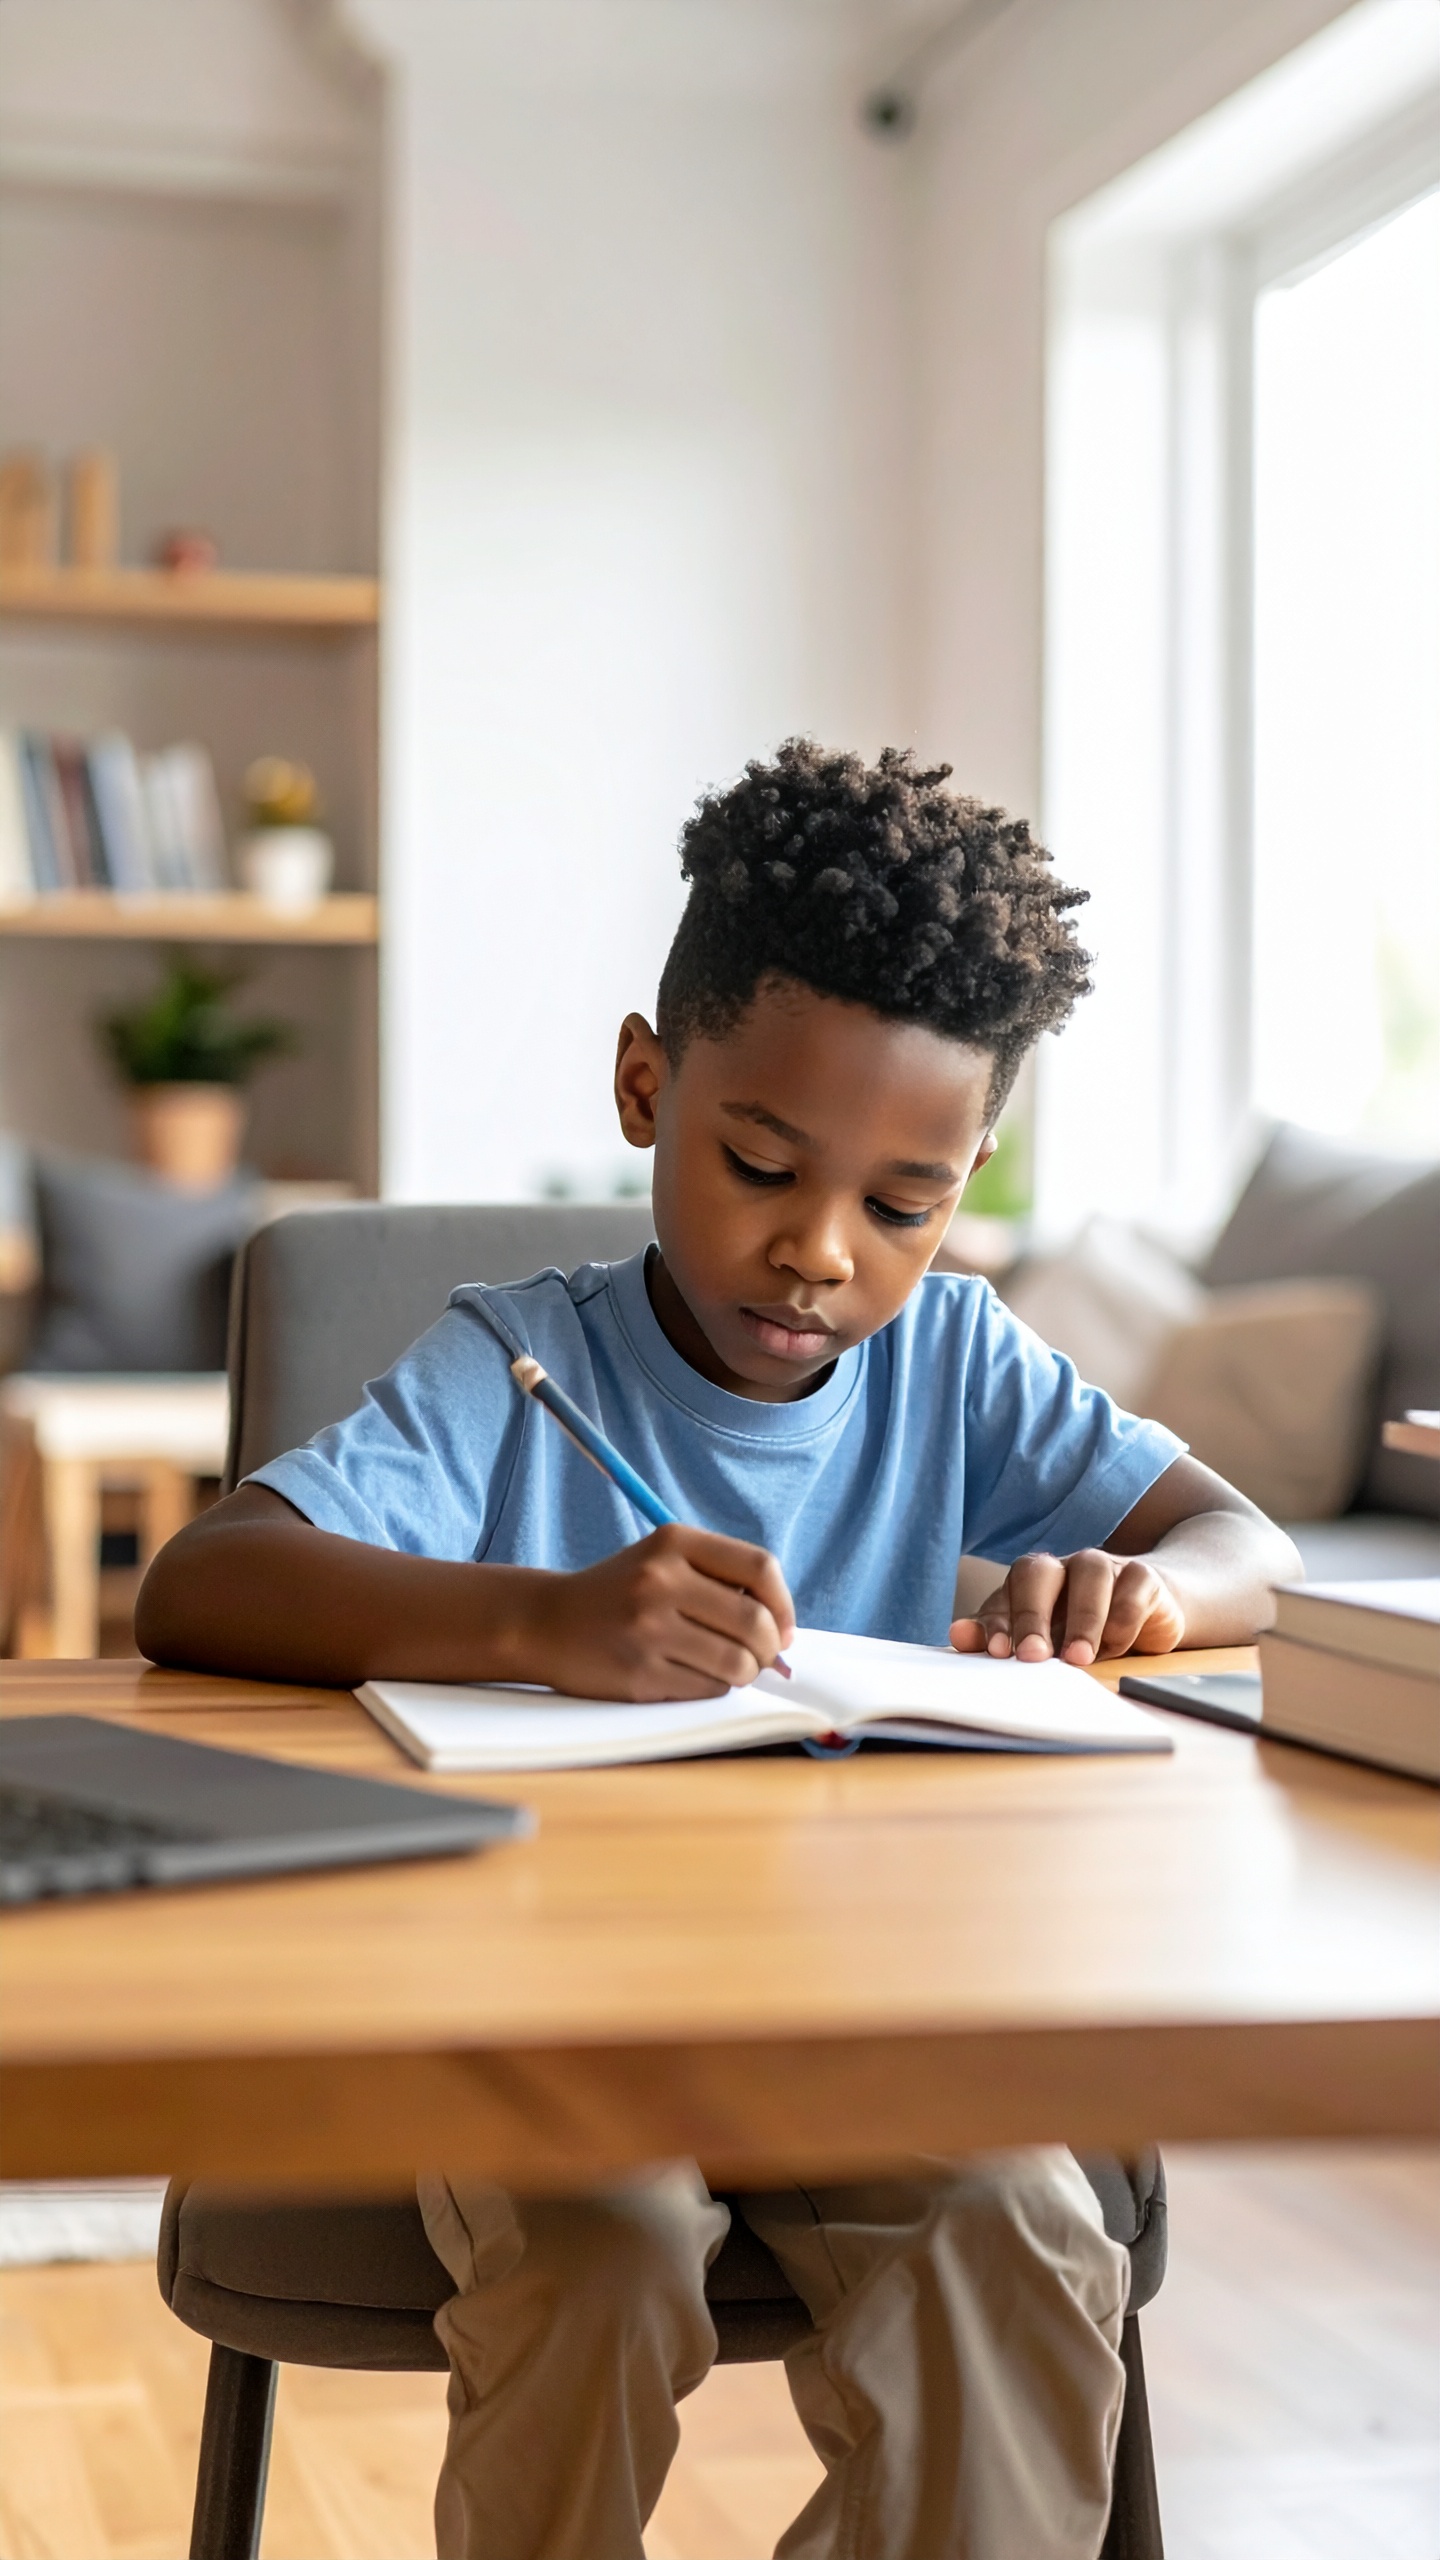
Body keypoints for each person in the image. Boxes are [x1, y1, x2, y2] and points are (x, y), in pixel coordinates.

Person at [139, 740, 1298, 2560]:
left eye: (904, 1204)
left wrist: (1133, 1595)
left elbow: (1248, 1549)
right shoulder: (513, 1362)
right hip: (550, 2017)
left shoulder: (957, 1365)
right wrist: (540, 1620)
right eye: (761, 1159)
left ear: (970, 1178)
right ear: (643, 1084)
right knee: (597, 2250)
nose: (820, 1251)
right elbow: (203, 1582)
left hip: (871, 2012)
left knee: (1019, 2232)